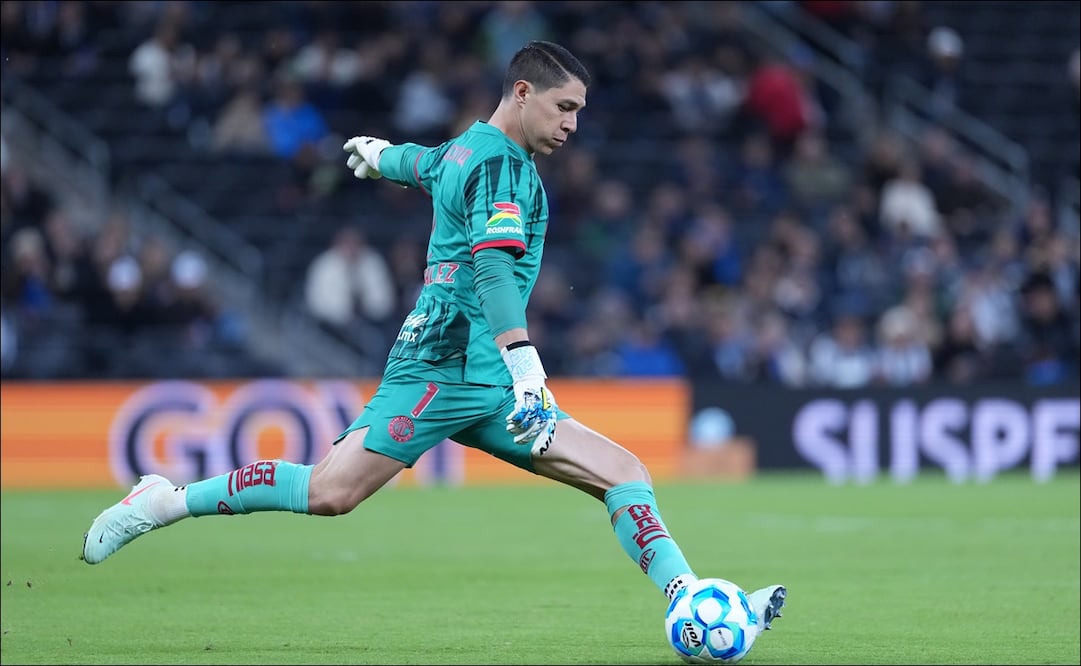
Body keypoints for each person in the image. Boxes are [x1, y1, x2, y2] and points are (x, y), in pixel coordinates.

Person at [80, 39, 786, 641]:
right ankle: (163, 501)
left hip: (488, 381)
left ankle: (691, 601)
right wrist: (526, 366)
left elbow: (425, 164)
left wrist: (380, 154)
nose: (573, 124)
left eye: (578, 111)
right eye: (564, 107)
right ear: (521, 92)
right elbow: (490, 266)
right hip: (442, 367)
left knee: (623, 473)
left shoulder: (469, 151)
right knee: (331, 493)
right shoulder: (502, 166)